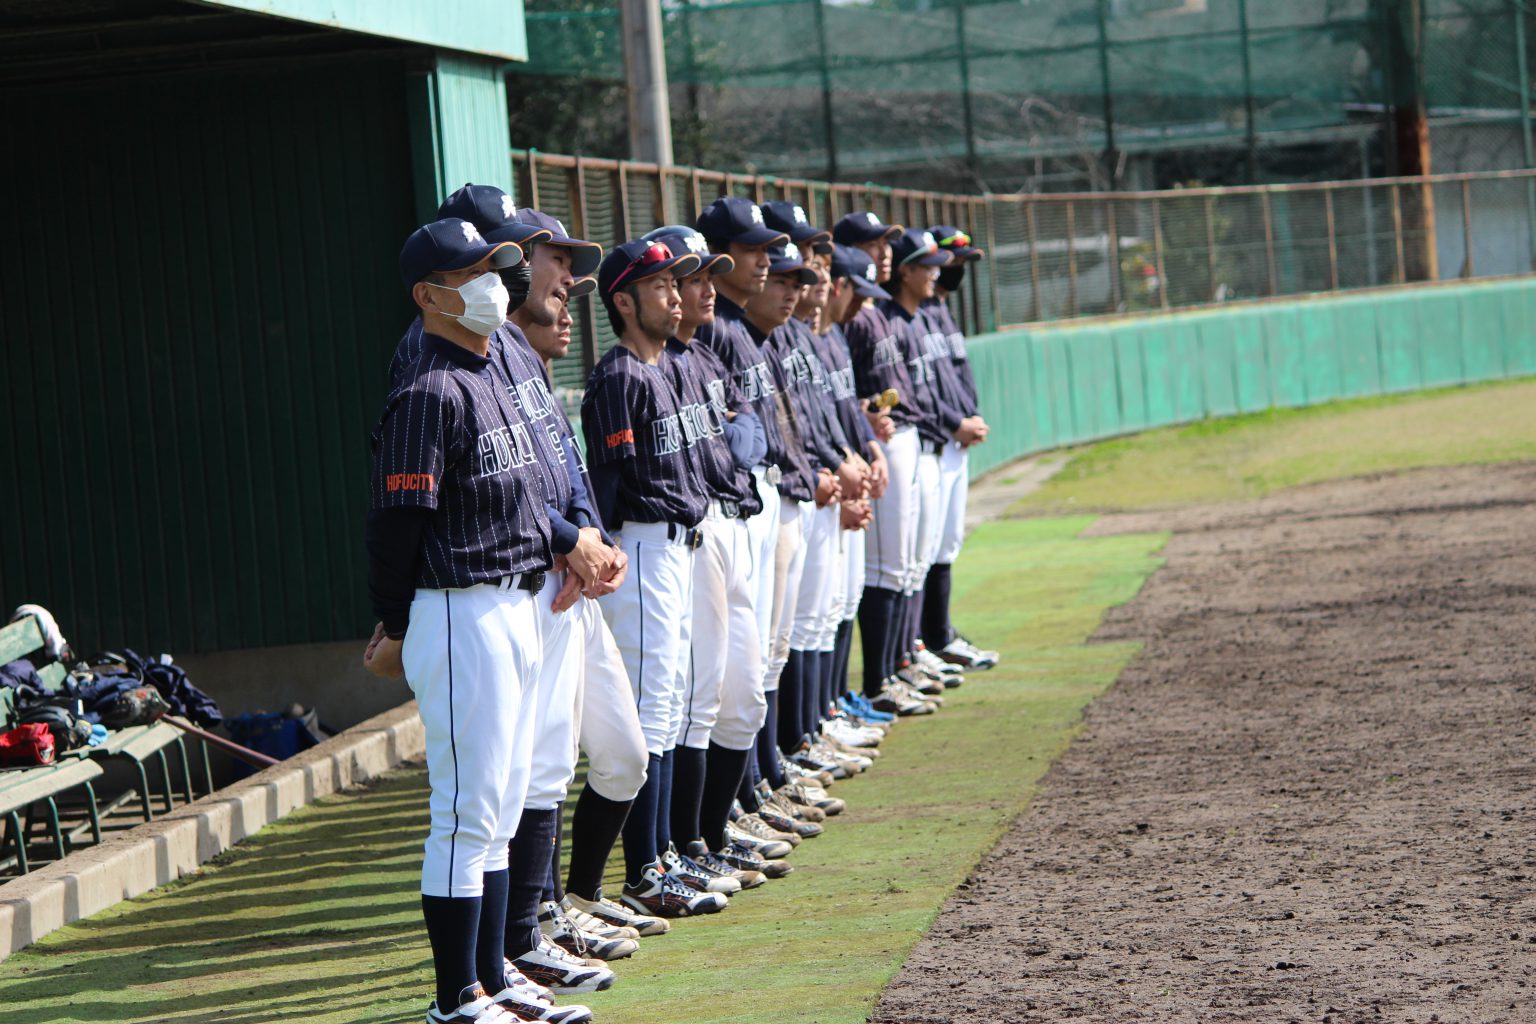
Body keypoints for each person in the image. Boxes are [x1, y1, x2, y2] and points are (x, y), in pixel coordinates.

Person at [365, 218, 567, 1024]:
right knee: (465, 810)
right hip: (458, 607)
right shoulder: (426, 391)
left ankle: (493, 977)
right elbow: (394, 526)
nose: (493, 282)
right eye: (472, 271)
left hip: (514, 602)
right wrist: (396, 623)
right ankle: (456, 999)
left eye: (496, 265)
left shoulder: (490, 372)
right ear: (429, 294)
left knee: (502, 804)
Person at [581, 237, 729, 919]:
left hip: (676, 548)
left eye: (676, 284)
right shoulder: (618, 377)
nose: (675, 296)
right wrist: (603, 554)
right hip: (639, 548)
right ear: (623, 302)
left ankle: (660, 856)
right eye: (661, 286)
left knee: (667, 707)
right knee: (648, 712)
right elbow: (607, 481)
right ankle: (643, 870)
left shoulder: (664, 367)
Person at [921, 225, 1000, 671]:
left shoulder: (939, 310)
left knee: (946, 542)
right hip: (937, 438)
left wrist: (970, 416)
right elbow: (921, 387)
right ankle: (928, 641)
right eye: (953, 260)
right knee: (924, 549)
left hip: (955, 438)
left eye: (963, 263)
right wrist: (956, 422)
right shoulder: (914, 314)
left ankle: (940, 634)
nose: (956, 270)